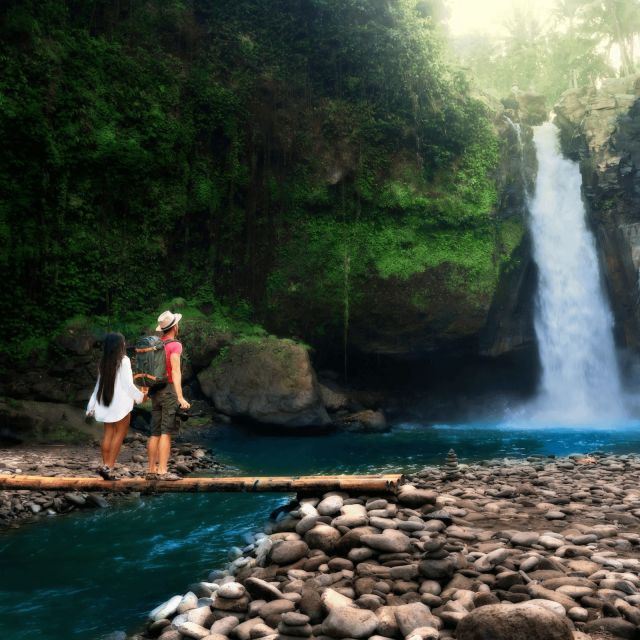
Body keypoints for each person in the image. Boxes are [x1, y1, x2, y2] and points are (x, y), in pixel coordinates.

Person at [87, 333, 144, 480]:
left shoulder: (103, 361)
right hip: (121, 404)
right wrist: (140, 397)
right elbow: (127, 384)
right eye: (123, 342)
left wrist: (91, 405)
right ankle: (109, 467)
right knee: (120, 434)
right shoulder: (123, 360)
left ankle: (106, 465)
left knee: (108, 434)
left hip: (105, 401)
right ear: (119, 345)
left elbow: (98, 385)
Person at [146, 310, 190, 480]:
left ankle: (151, 470)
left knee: (154, 432)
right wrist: (180, 397)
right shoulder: (175, 345)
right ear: (175, 326)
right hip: (169, 389)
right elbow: (176, 371)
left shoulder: (155, 344)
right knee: (166, 431)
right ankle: (163, 470)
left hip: (155, 390)